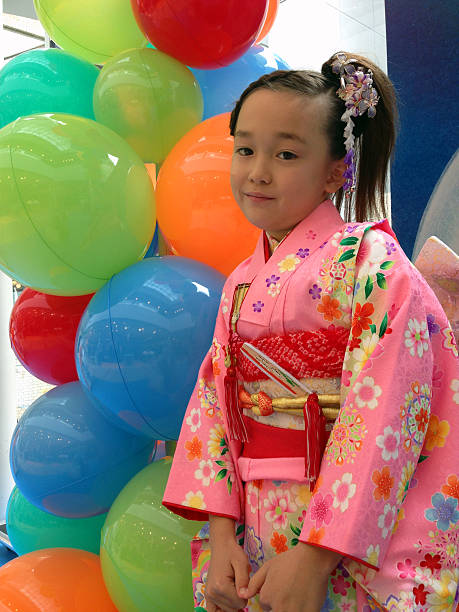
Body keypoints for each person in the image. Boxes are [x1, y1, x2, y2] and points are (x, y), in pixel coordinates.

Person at [163, 51, 459, 611]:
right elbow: (216, 406)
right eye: (245, 149)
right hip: (252, 530)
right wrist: (222, 536)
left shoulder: (374, 264)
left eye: (286, 153)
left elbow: (387, 411)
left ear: (334, 169)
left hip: (342, 539)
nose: (258, 171)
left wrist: (316, 555)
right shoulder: (241, 284)